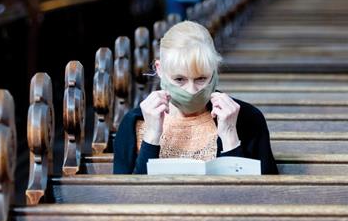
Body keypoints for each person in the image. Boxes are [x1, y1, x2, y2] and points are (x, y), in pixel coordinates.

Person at [114, 21, 278, 174]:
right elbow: (126, 197)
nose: (191, 91)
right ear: (160, 69)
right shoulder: (135, 123)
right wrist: (151, 135)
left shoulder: (247, 118)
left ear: (213, 71)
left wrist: (229, 136)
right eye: (179, 79)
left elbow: (264, 193)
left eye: (201, 79)